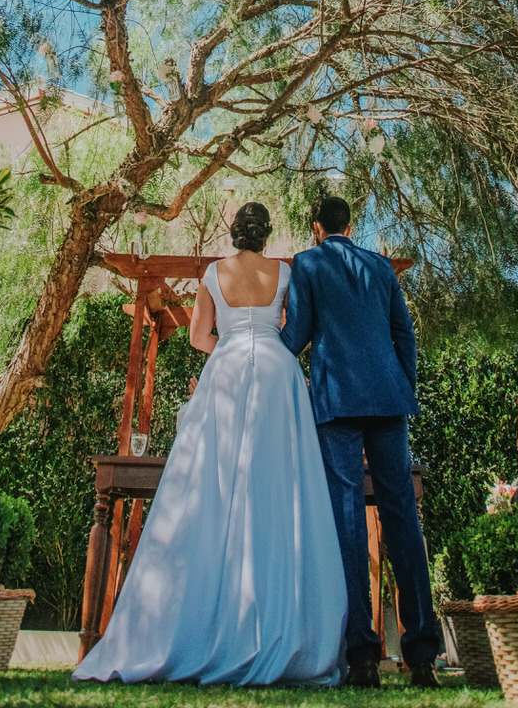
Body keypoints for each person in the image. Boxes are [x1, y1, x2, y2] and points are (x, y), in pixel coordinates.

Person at [73, 202, 347, 686]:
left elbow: (200, 335)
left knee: (211, 491)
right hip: (279, 378)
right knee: (280, 489)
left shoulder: (213, 274)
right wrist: (264, 341)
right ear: (265, 237)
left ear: (234, 233)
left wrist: (232, 344)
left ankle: (192, 624)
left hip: (226, 374)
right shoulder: (285, 273)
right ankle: (281, 627)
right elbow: (294, 332)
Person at [281, 195, 440, 691]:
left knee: (348, 520)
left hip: (337, 403)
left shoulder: (306, 263)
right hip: (389, 401)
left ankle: (363, 656)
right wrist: (404, 387)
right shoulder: (380, 265)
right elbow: (404, 334)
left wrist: (260, 357)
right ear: (350, 225)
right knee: (402, 520)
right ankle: (422, 656)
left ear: (315, 228)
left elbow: (298, 335)